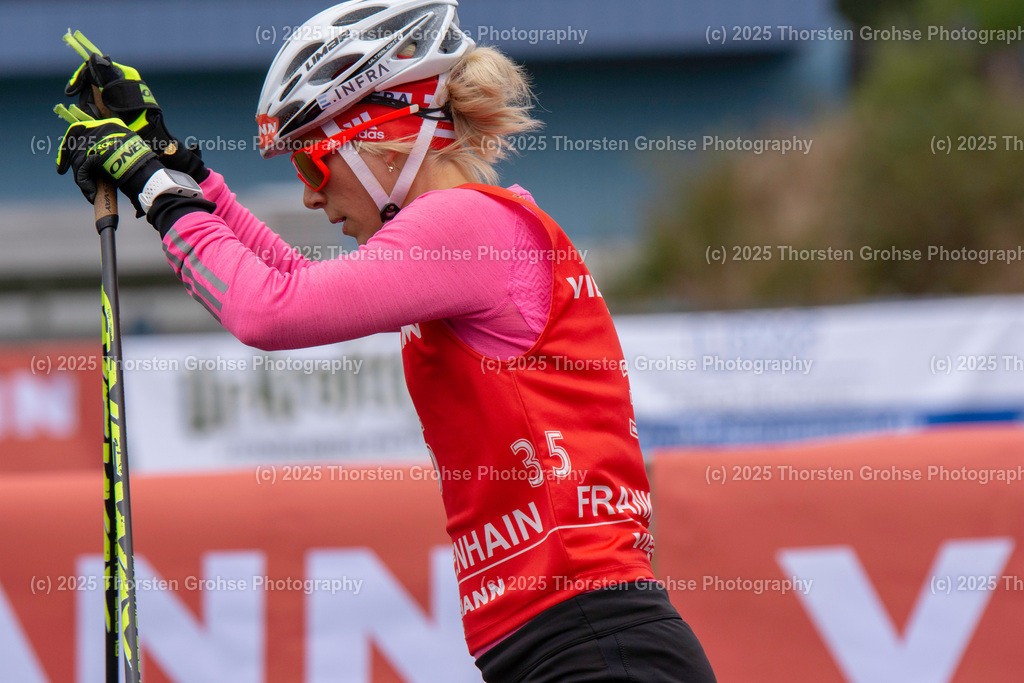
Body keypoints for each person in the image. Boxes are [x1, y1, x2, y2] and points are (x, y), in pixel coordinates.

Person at [55, 1, 717, 680]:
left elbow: (267, 312)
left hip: (593, 644)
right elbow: (295, 281)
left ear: (380, 136)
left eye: (312, 165)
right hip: (567, 646)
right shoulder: (474, 233)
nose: (312, 198)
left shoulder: (463, 225)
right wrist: (184, 175)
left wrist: (156, 190)